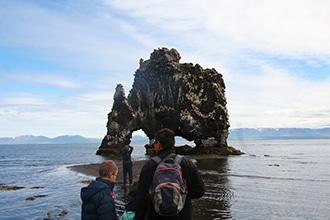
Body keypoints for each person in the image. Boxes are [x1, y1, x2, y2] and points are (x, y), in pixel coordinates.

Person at [135, 128, 205, 220]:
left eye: (155, 143)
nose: (154, 146)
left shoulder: (149, 166)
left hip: (156, 215)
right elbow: (199, 191)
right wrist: (180, 195)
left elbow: (141, 198)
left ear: (159, 144)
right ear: (173, 144)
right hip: (183, 215)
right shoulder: (187, 164)